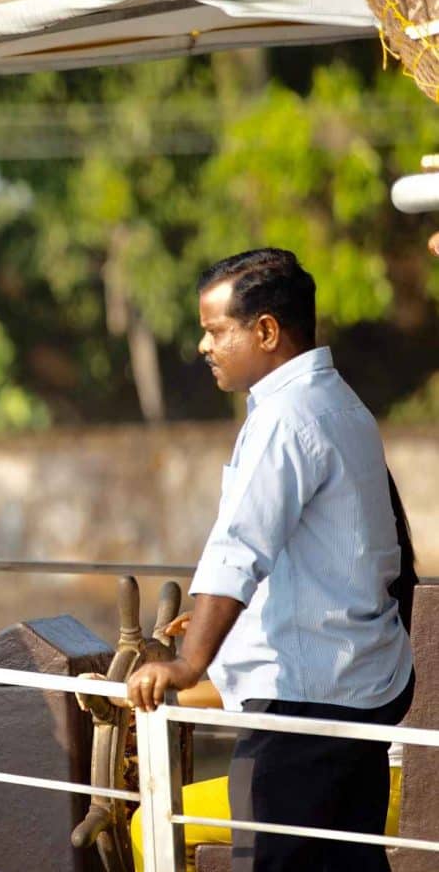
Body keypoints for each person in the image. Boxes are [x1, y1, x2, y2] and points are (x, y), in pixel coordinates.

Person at [128, 247, 415, 872]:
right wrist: (227, 630)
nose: (205, 347)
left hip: (302, 713)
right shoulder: (341, 405)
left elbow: (240, 548)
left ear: (265, 331)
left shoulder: (286, 418)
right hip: (358, 692)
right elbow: (340, 556)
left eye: (216, 331)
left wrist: (187, 663)